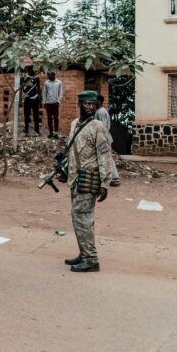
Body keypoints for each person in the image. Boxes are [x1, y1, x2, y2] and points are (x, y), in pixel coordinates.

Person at [62, 90, 114, 273]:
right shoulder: (74, 124)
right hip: (75, 179)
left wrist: (105, 183)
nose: (91, 107)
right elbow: (72, 152)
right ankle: (84, 253)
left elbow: (104, 155)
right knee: (78, 218)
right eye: (87, 104)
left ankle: (91, 259)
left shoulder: (98, 127)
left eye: (93, 104)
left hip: (89, 179)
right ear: (79, 105)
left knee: (83, 217)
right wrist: (65, 171)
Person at [95, 94, 121, 187]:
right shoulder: (100, 111)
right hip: (103, 138)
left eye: (95, 101)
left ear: (99, 102)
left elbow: (104, 126)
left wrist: (102, 139)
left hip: (103, 139)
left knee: (107, 157)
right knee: (103, 158)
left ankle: (114, 178)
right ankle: (107, 177)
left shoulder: (100, 112)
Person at [42, 71, 63, 138]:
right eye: (47, 75)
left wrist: (58, 101)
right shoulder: (46, 82)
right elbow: (44, 92)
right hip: (48, 103)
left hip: (55, 103)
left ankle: (56, 133)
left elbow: (60, 92)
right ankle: (51, 133)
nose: (48, 76)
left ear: (53, 75)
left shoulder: (59, 82)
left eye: (49, 75)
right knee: (49, 119)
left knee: (56, 118)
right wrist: (44, 102)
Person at [21, 66, 41, 136]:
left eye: (34, 70)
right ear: (28, 71)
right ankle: (26, 130)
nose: (33, 71)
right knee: (26, 115)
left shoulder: (36, 78)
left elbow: (38, 88)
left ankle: (37, 130)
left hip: (35, 98)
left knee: (36, 115)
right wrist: (20, 100)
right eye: (32, 70)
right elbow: (22, 89)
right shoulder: (24, 78)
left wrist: (40, 98)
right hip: (27, 98)